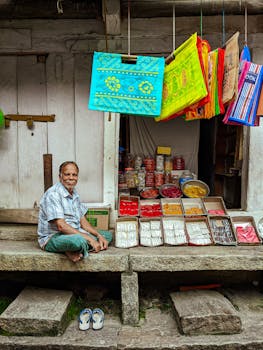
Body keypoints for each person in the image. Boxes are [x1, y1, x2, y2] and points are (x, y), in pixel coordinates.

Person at [37, 161, 112, 262]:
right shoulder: (53, 194)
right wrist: (89, 239)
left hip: (73, 233)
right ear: (60, 177)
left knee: (106, 235)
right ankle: (77, 247)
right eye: (67, 174)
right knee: (78, 241)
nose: (71, 178)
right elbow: (61, 226)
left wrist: (98, 236)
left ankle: (74, 249)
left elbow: (83, 221)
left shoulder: (74, 193)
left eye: (74, 175)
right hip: (54, 236)